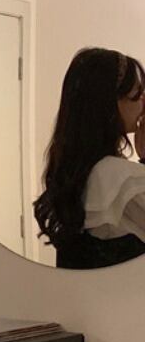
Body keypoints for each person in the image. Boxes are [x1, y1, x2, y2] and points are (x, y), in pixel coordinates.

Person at [34, 47, 145, 269]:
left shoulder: (76, 169)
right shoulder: (118, 177)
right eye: (137, 93)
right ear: (110, 102)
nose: (143, 101)